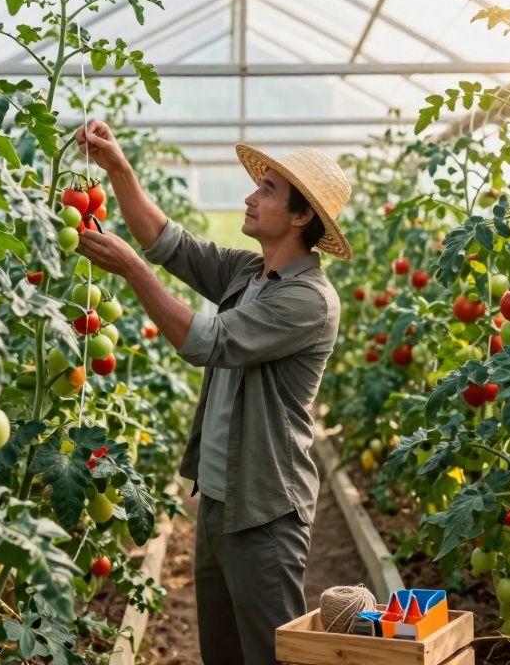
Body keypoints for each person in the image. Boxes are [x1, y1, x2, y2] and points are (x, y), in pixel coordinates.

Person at [71, 119, 352, 664]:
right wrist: (117, 168)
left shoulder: (309, 302)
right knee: (221, 652)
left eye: (267, 189)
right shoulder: (249, 274)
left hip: (266, 508)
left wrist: (132, 271)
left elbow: (206, 340)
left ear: (301, 216)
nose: (249, 196)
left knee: (269, 655)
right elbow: (168, 243)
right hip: (221, 499)